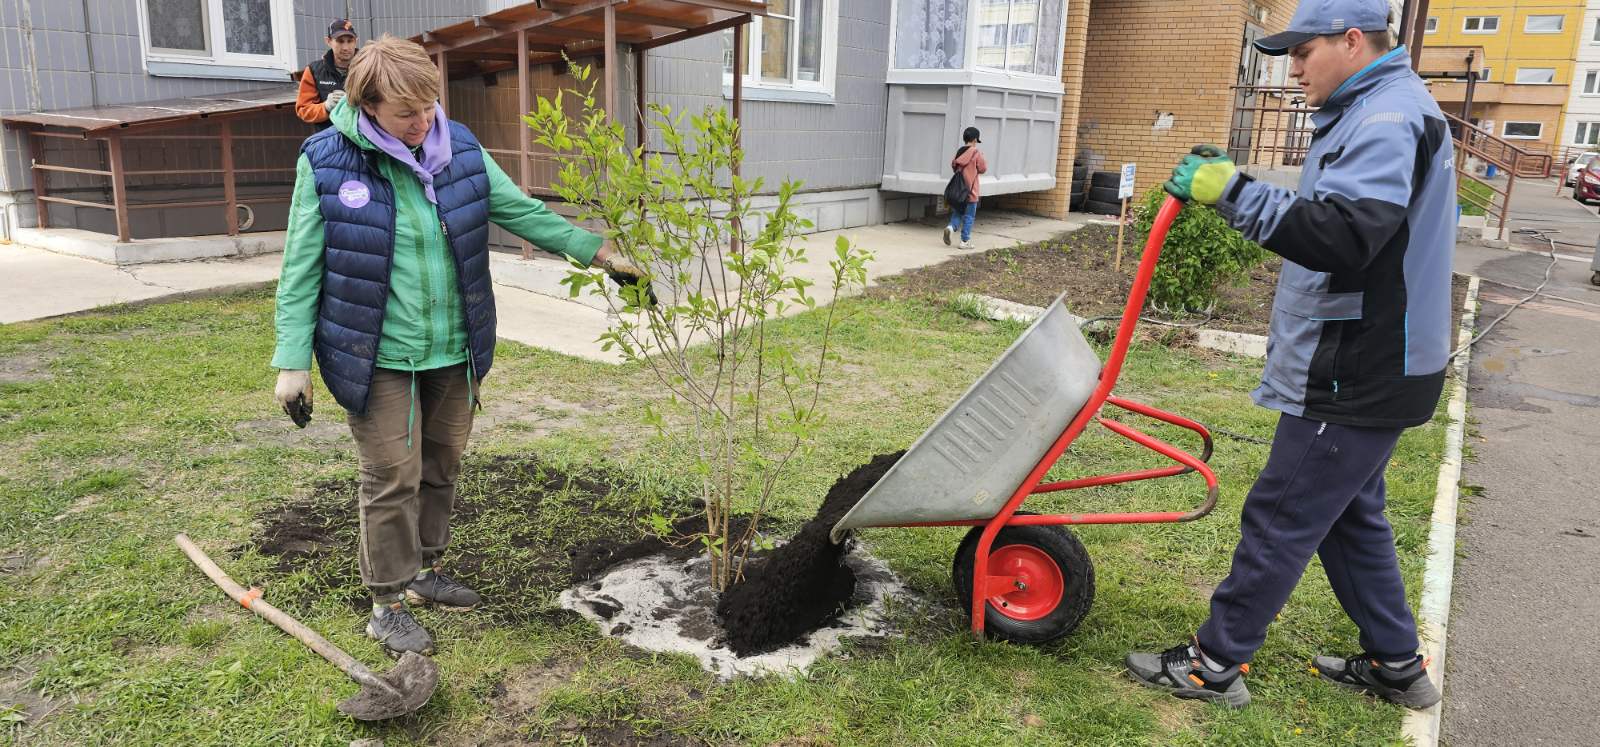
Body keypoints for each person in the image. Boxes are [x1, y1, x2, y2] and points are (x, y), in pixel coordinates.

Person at [1123, 0, 1454, 710]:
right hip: (1381, 357)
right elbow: (1341, 210)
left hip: (1360, 364)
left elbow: (1343, 235)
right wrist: (1240, 184)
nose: (1293, 69)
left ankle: (1213, 664)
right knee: (1346, 514)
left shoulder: (1387, 118)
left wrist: (1234, 195)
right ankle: (1398, 666)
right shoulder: (1382, 107)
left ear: (1353, 40)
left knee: (1282, 511)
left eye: (1304, 52)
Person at [271, 36, 648, 657]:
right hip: (374, 350)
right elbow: (301, 266)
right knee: (390, 472)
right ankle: (387, 602)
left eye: (428, 108)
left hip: (455, 342)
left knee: (441, 461)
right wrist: (292, 362)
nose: (421, 124)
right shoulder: (329, 160)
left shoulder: (460, 149)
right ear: (368, 109)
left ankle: (424, 571)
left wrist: (602, 254)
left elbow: (523, 213)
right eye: (404, 115)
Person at [295, 19, 359, 128]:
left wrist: (355, 104)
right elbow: (303, 110)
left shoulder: (368, 68)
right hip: (328, 140)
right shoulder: (314, 70)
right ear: (328, 41)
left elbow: (380, 106)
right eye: (340, 41)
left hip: (361, 140)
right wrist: (326, 107)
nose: (345, 47)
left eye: (350, 41)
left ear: (356, 41)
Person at [943, 127, 987, 251]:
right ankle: (965, 241)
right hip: (971, 192)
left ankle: (951, 228)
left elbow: (953, 165)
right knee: (969, 217)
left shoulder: (960, 152)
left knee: (958, 212)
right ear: (974, 139)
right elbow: (983, 169)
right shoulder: (976, 152)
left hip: (958, 191)